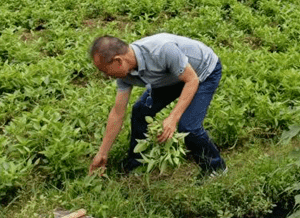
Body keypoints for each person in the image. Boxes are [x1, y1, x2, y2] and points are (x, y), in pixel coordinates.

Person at [88, 33, 226, 175]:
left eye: (105, 71)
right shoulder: (125, 75)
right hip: (172, 76)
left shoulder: (161, 50)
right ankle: (137, 165)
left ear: (118, 61)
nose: (106, 76)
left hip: (202, 72)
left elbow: (192, 80)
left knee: (188, 127)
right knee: (140, 111)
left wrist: (173, 118)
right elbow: (118, 112)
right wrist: (102, 153)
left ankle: (216, 168)